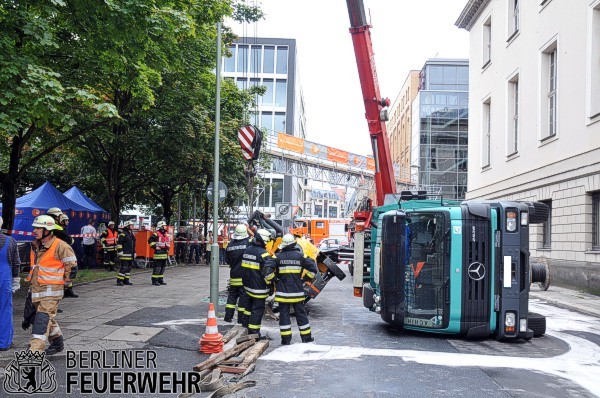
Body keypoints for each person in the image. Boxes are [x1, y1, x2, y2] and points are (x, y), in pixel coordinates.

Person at [25, 215, 77, 355]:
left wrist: (65, 284)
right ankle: (57, 341)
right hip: (37, 289)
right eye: (34, 227)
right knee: (46, 318)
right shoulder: (36, 245)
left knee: (42, 319)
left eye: (38, 228)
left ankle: (34, 350)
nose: (34, 230)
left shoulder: (61, 245)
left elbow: (71, 267)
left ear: (48, 230)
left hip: (52, 291)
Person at [264, 234, 318, 345]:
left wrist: (275, 280)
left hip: (282, 293)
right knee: (301, 315)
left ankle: (286, 340)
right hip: (297, 293)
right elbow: (313, 270)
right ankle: (306, 338)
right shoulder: (301, 256)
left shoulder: (277, 257)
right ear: (294, 244)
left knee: (284, 316)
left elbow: (266, 271)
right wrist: (304, 279)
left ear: (282, 245)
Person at [241, 228, 275, 338]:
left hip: (248, 286)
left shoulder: (247, 250)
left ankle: (245, 324)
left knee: (249, 305)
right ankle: (254, 332)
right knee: (258, 309)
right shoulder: (264, 254)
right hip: (259, 287)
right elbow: (267, 273)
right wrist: (271, 283)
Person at [0, 216, 21, 351]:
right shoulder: (10, 241)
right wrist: (16, 279)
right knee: (5, 310)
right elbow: (16, 263)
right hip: (4, 279)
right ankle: (4, 343)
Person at [224, 224, 251, 324]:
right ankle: (241, 319)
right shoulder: (248, 243)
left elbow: (227, 260)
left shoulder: (230, 244)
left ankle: (228, 317)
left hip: (233, 275)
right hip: (244, 276)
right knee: (243, 298)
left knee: (232, 296)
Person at [59, 213, 79, 298]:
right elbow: (69, 240)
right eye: (66, 220)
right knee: (66, 272)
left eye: (67, 220)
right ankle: (63, 291)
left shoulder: (63, 229)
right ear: (62, 221)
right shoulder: (60, 231)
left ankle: (68, 290)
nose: (67, 222)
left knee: (69, 271)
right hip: (62, 254)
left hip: (65, 253)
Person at [148, 221, 170, 286]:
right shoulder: (156, 234)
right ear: (161, 226)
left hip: (165, 253)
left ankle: (160, 280)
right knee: (157, 268)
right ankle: (154, 280)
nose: (165, 227)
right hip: (158, 254)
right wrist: (155, 247)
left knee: (162, 268)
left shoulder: (166, 234)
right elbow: (150, 241)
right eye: (164, 226)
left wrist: (167, 249)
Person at [116, 220, 136, 286]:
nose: (132, 226)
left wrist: (134, 252)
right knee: (124, 267)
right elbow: (119, 243)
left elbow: (133, 245)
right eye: (131, 225)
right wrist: (120, 251)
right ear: (127, 226)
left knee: (129, 268)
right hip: (124, 253)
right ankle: (119, 281)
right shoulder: (123, 234)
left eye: (133, 225)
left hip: (130, 254)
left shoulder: (131, 234)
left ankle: (126, 280)